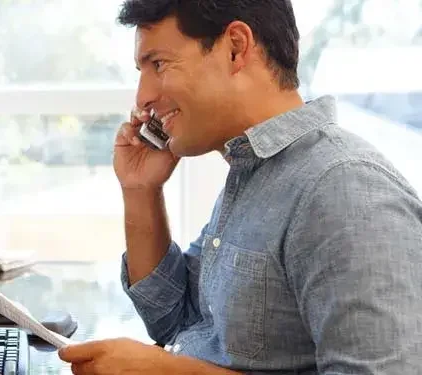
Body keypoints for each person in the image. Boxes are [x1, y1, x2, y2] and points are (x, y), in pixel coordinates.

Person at [58, 0, 422, 374]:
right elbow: (175, 320)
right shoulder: (254, 175)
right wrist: (140, 191)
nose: (142, 97)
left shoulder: (343, 191)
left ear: (235, 47)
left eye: (159, 64)